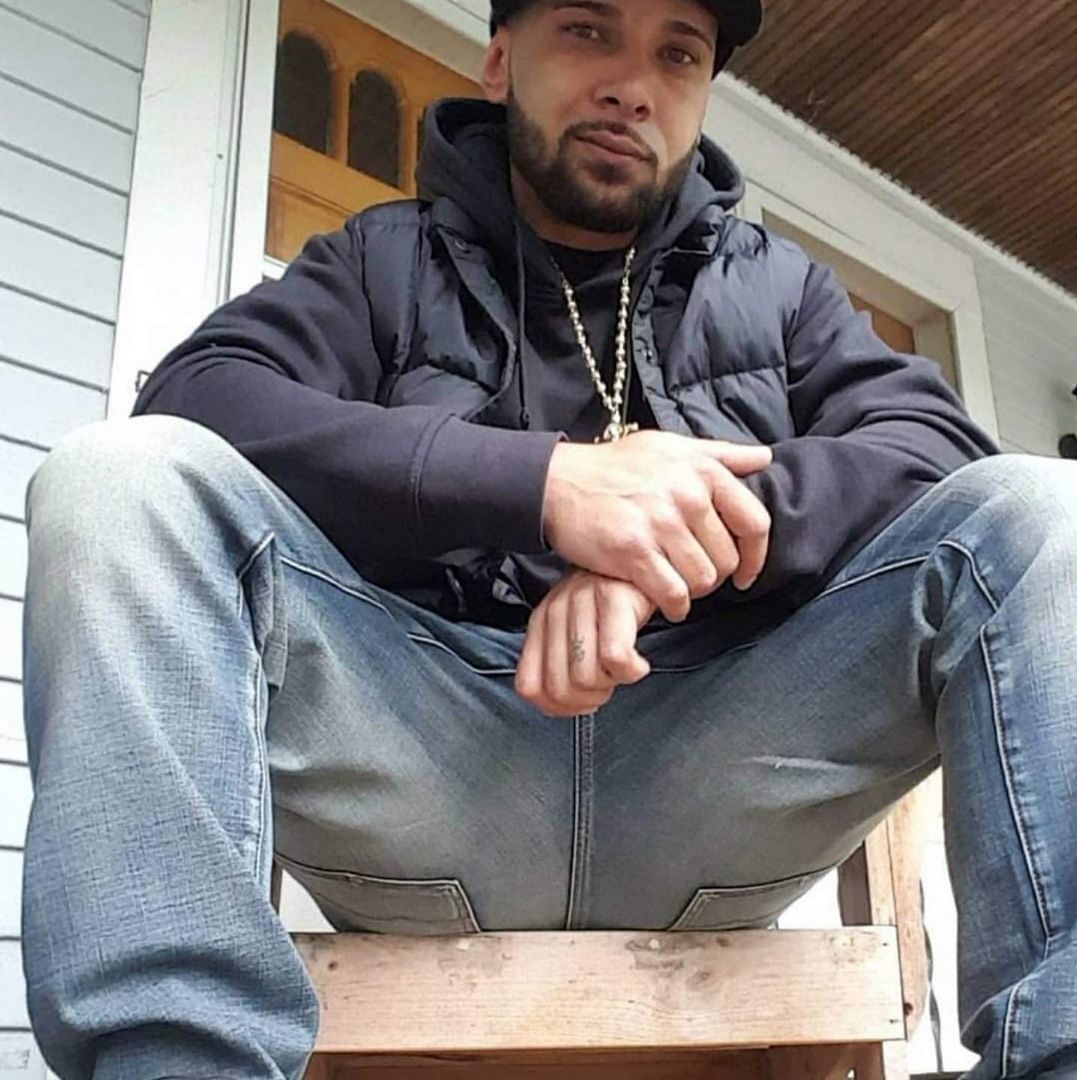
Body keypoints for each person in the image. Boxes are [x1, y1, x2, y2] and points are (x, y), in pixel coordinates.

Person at [19, 0, 1076, 1076]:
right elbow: (200, 396)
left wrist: (661, 557)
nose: (632, 84)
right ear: (498, 62)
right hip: (424, 766)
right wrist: (547, 486)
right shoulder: (383, 259)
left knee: (1046, 515)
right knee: (118, 480)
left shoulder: (779, 287)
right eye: (586, 29)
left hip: (716, 773)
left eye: (677, 53)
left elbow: (937, 448)